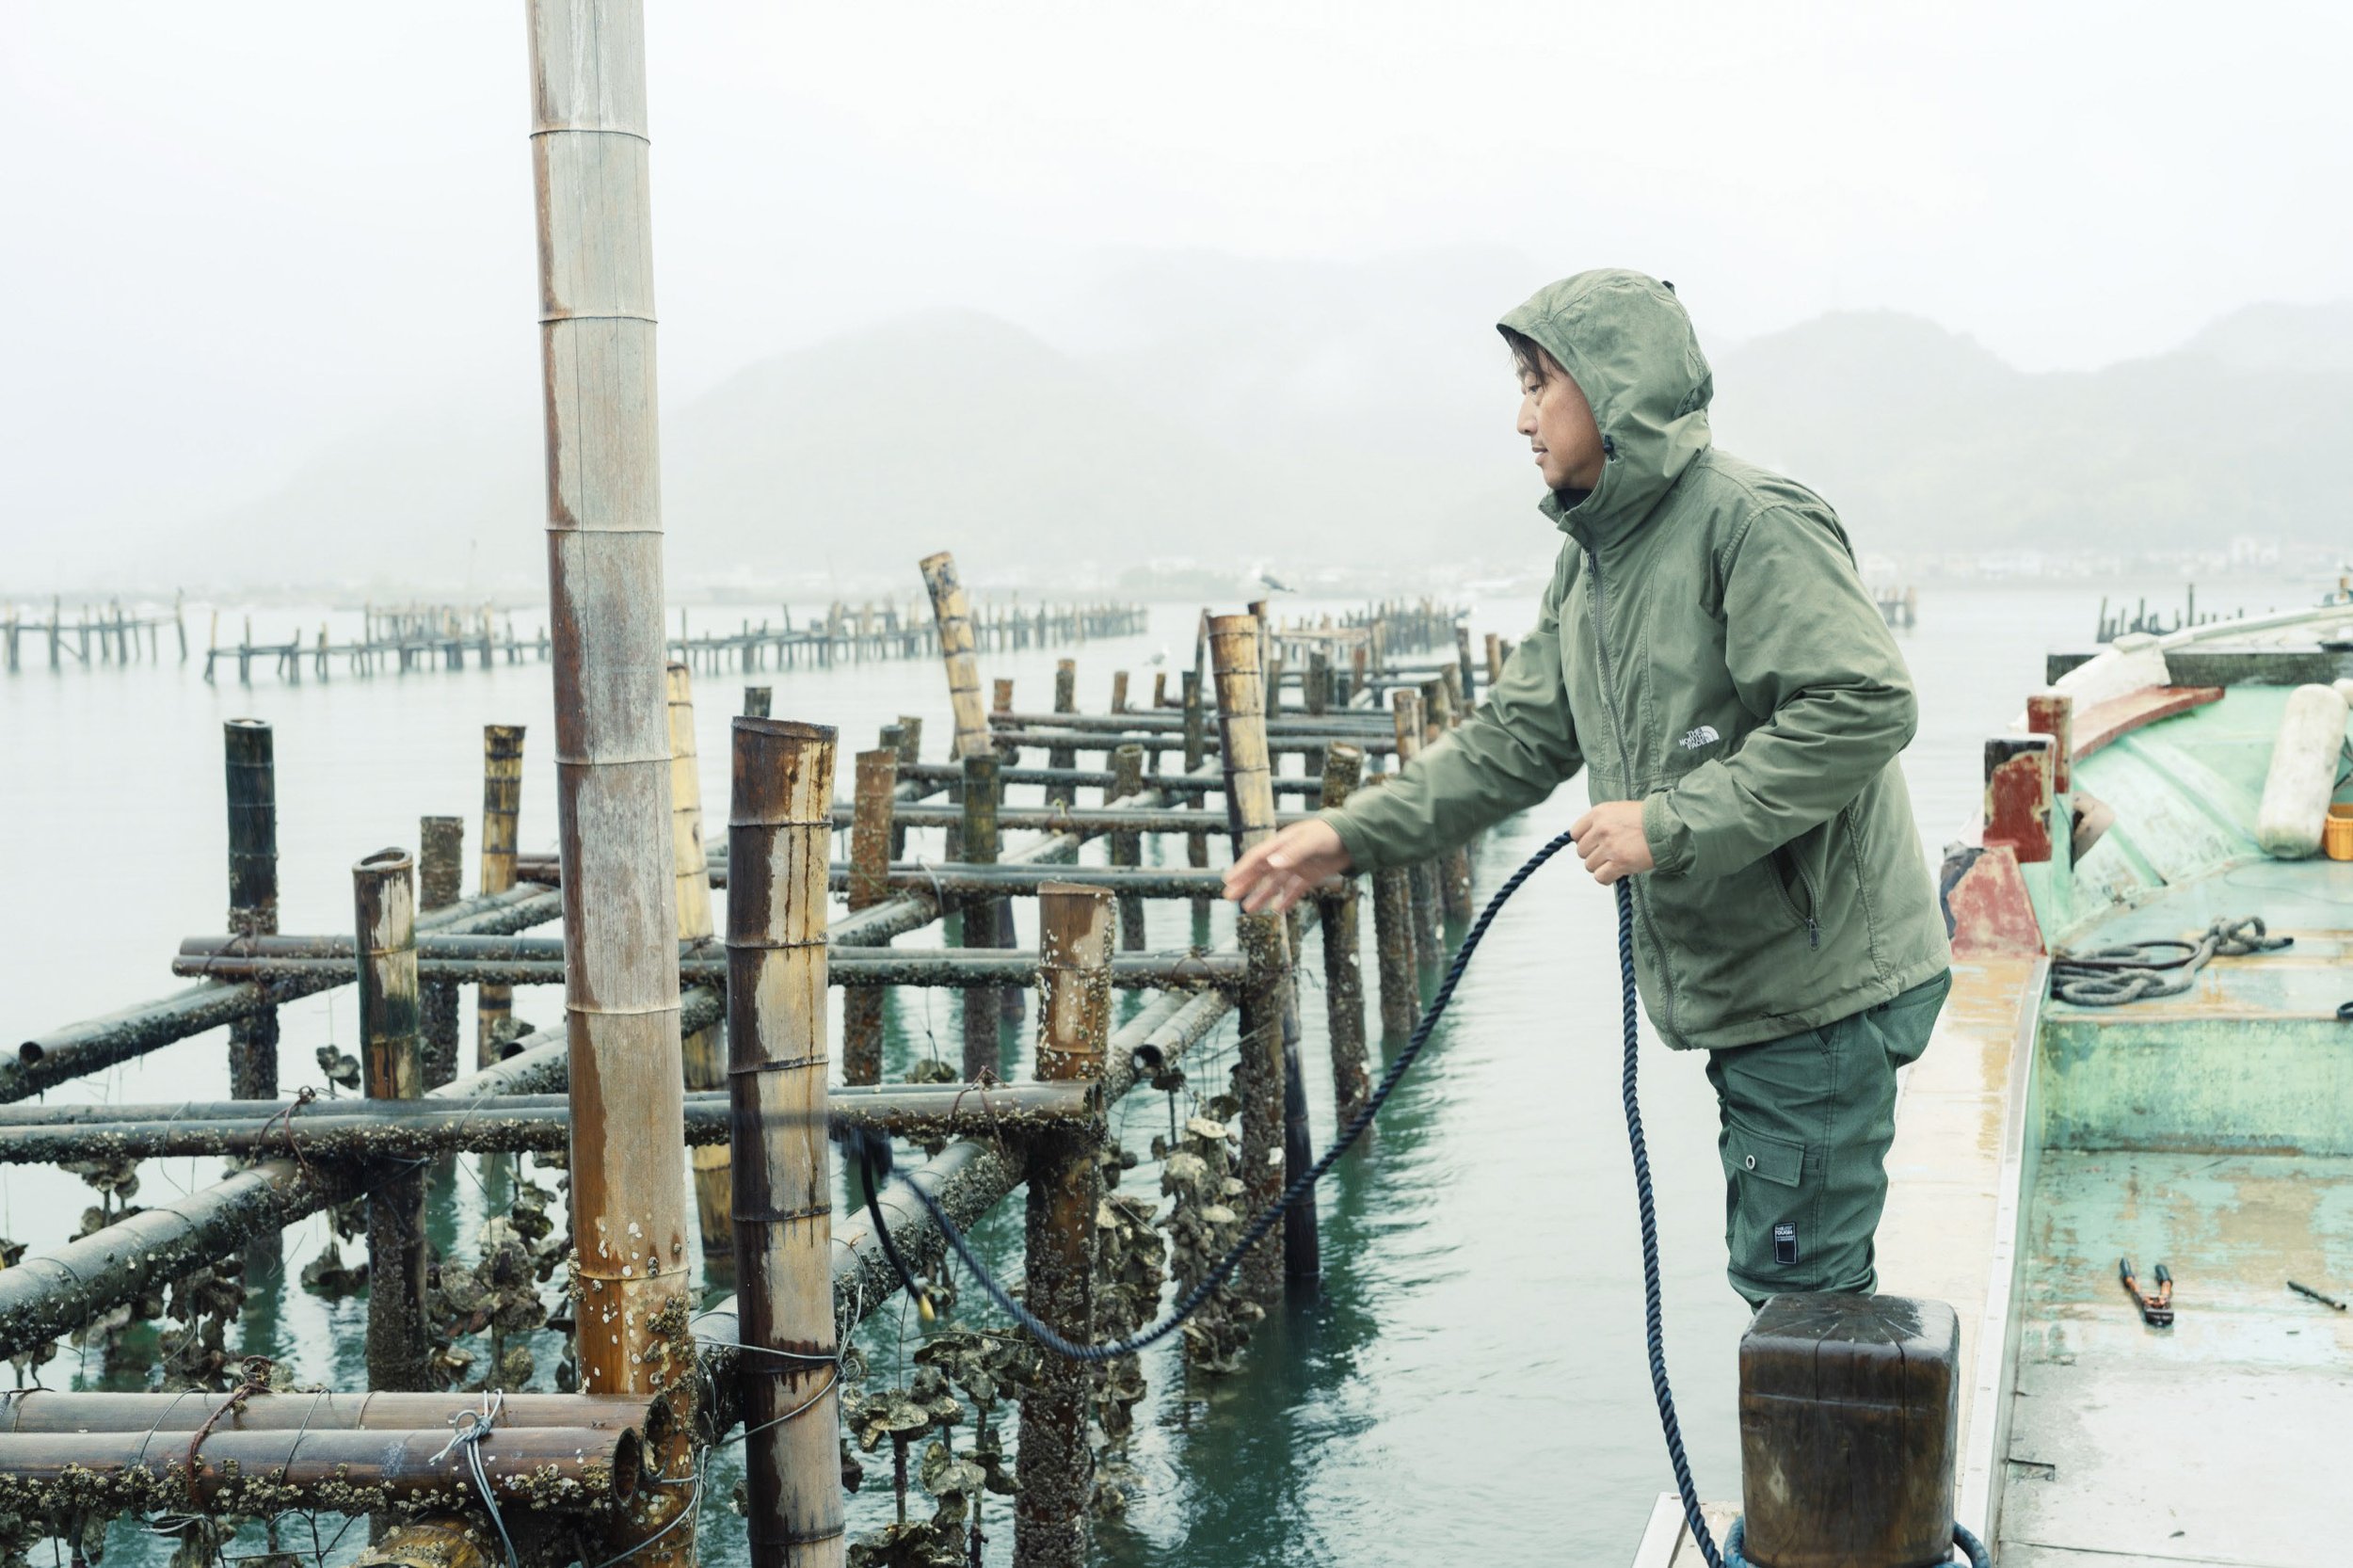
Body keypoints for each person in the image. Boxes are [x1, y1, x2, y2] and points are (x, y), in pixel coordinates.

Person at [1222, 268, 1951, 1305]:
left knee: (1805, 1301)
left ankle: (1850, 1466)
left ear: (1612, 390)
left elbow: (1863, 706)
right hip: (1753, 988)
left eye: (1537, 384)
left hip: (1818, 990)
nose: (1520, 417)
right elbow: (1516, 736)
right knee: (1788, 1289)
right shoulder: (1593, 561)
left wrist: (1668, 821)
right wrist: (1345, 836)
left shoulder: (1750, 521)